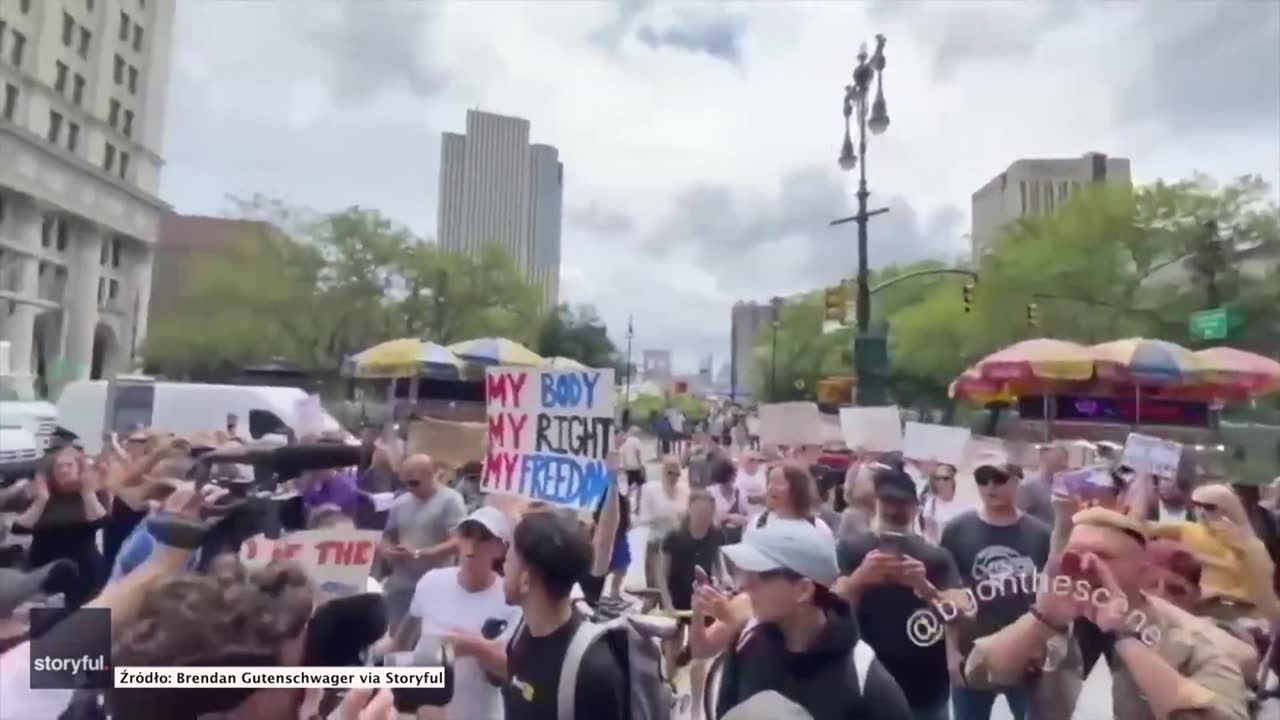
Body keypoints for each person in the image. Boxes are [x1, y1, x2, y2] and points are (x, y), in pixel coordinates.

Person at [964, 508, 1250, 720]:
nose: (1086, 567)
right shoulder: (1055, 622)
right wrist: (1042, 619)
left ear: (1142, 573)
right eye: (1076, 554)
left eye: (1103, 557)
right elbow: (979, 673)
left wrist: (1124, 636)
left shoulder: (1188, 639)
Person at [708, 518, 912, 720]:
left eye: (760, 575)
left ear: (803, 590)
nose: (743, 586)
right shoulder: (747, 643)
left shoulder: (864, 680)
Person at [836, 465, 961, 720]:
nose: (894, 510)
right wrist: (859, 579)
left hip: (925, 689)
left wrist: (925, 587)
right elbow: (830, 609)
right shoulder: (850, 549)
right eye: (888, 501)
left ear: (916, 506)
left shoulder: (937, 557)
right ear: (876, 503)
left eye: (902, 503)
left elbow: (958, 613)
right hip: (864, 684)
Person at [385, 507, 522, 720]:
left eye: (484, 538)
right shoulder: (432, 581)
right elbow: (401, 644)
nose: (473, 546)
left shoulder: (510, 600)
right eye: (467, 534)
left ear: (499, 549)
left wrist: (473, 647)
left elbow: (514, 673)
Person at [940, 461, 1051, 720]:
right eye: (983, 478)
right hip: (972, 653)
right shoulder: (957, 530)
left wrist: (1046, 649)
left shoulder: (1040, 534)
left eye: (999, 479)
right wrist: (951, 652)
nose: (990, 486)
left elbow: (1051, 597)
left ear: (1016, 482)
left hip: (1026, 659)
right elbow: (947, 595)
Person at [501, 511, 627, 720]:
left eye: (509, 557)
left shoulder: (594, 671)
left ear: (525, 580)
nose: (503, 565)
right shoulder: (519, 634)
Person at [1149, 482, 1280, 623]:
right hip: (1192, 612)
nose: (1201, 511)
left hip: (1239, 618)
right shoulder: (1186, 529)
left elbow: (1262, 593)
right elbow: (1139, 528)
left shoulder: (1251, 545)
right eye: (1197, 505)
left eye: (1209, 507)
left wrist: (1221, 594)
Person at [10, 447, 109, 610]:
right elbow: (19, 528)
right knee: (43, 626)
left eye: (69, 465)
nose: (63, 470)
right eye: (58, 466)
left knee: (83, 624)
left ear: (80, 468)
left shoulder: (94, 493)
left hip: (84, 570)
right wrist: (42, 499)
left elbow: (101, 522)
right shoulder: (38, 493)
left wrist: (87, 492)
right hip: (44, 569)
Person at [657, 490, 725, 720]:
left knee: (700, 659)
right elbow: (661, 575)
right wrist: (666, 604)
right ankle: (670, 691)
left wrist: (723, 584)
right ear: (691, 510)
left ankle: (696, 707)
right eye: (700, 511)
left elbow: (717, 564)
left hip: (702, 603)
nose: (704, 516)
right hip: (676, 599)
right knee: (671, 652)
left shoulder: (716, 535)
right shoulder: (674, 538)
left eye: (708, 512)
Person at [381, 454, 467, 628]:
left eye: (414, 483)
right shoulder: (400, 503)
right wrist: (388, 551)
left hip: (437, 582)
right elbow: (388, 535)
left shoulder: (450, 500)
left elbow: (459, 541)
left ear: (431, 475)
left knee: (432, 633)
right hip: (402, 581)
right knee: (397, 632)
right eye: (405, 483)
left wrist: (421, 554)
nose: (409, 488)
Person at [744, 463, 834, 541]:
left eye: (779, 483)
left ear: (798, 489)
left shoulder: (817, 527)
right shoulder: (757, 522)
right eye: (770, 482)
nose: (771, 488)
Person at [642, 455, 689, 588]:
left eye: (677, 474)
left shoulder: (685, 491)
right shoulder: (650, 489)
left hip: (677, 545)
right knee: (654, 588)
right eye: (669, 473)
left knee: (673, 587)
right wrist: (667, 519)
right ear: (662, 471)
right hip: (657, 543)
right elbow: (645, 517)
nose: (673, 477)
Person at [1017, 444, 1065, 526]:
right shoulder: (1028, 485)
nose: (1062, 464)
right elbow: (1018, 516)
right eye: (1058, 460)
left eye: (1062, 460)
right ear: (1044, 460)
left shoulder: (1062, 485)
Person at [919, 463, 967, 543]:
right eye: (937, 478)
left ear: (952, 480)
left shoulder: (964, 502)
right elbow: (930, 534)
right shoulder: (931, 504)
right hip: (943, 550)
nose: (941, 482)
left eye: (945, 478)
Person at [734, 451, 769, 519]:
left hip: (761, 512)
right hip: (742, 513)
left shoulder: (763, 469)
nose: (753, 462)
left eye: (756, 460)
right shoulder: (738, 470)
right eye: (751, 459)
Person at [620, 427, 646, 515]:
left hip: (628, 467)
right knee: (639, 487)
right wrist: (642, 466)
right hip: (636, 467)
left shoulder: (625, 441)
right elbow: (638, 454)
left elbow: (622, 454)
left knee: (628, 487)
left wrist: (623, 466)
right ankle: (637, 507)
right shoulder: (636, 441)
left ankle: (626, 506)